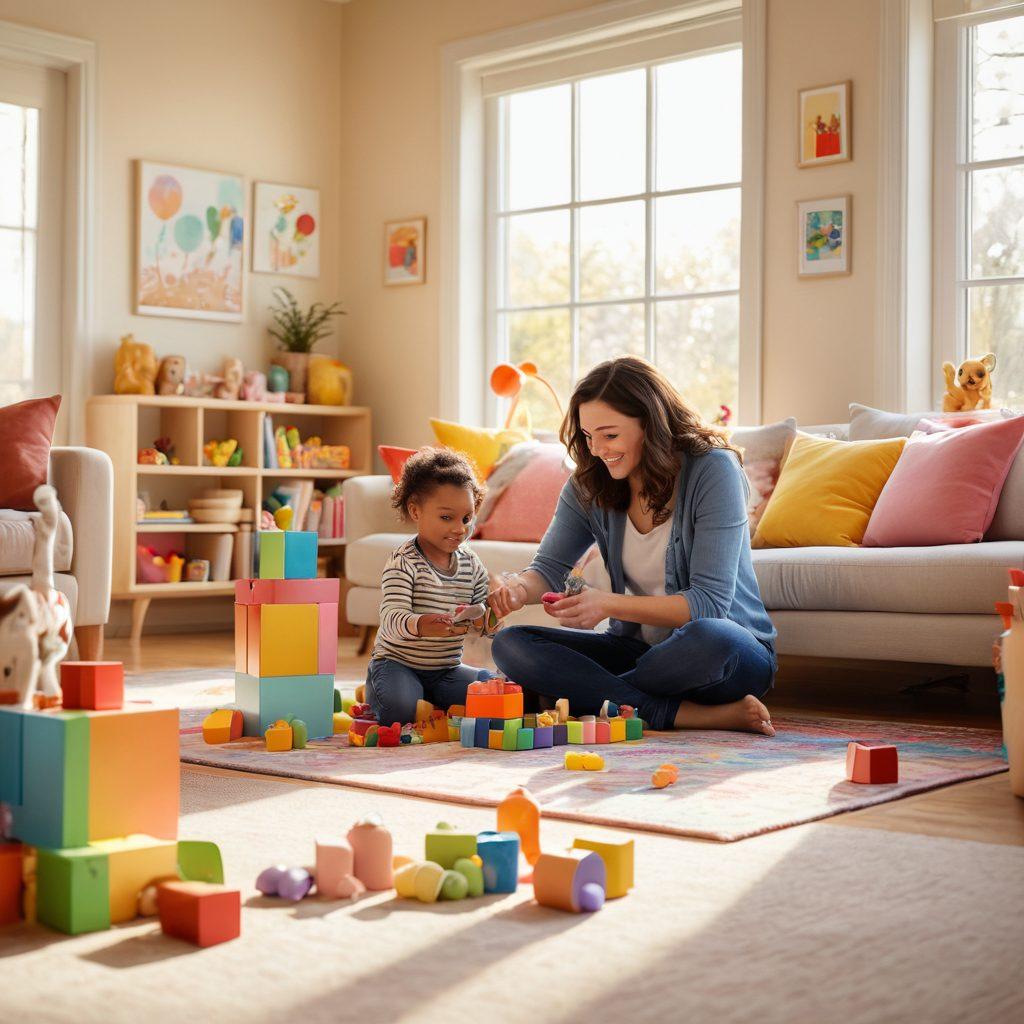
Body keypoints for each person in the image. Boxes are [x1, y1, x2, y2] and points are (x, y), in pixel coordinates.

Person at [488, 356, 777, 735]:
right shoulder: (589, 484)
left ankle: (586, 694)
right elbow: (547, 570)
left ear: (650, 423)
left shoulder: (712, 470)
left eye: (610, 435)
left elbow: (709, 604)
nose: (597, 450)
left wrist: (605, 604)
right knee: (512, 643)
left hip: (724, 654)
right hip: (637, 652)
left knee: (710, 637)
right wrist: (515, 589)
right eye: (589, 437)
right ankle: (677, 713)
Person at [366, 447, 495, 726]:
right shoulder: (404, 562)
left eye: (466, 518)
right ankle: (395, 695)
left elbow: (484, 612)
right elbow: (391, 619)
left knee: (492, 691)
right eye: (446, 518)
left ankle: (432, 701)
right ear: (415, 510)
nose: (459, 529)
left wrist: (489, 618)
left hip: (446, 670)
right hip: (397, 664)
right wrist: (423, 624)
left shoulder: (471, 563)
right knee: (400, 710)